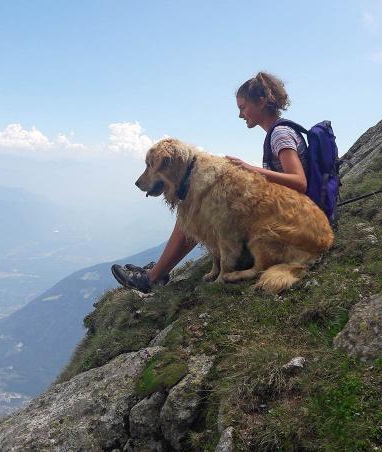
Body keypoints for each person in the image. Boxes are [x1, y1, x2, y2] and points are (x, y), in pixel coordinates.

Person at [111, 71, 308, 293]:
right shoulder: (276, 132)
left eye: (243, 108)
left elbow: (299, 182)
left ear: (261, 102)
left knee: (198, 210)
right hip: (282, 215)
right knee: (196, 209)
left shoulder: (280, 134)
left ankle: (152, 277)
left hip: (288, 223)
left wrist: (251, 169)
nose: (241, 114)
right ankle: (159, 270)